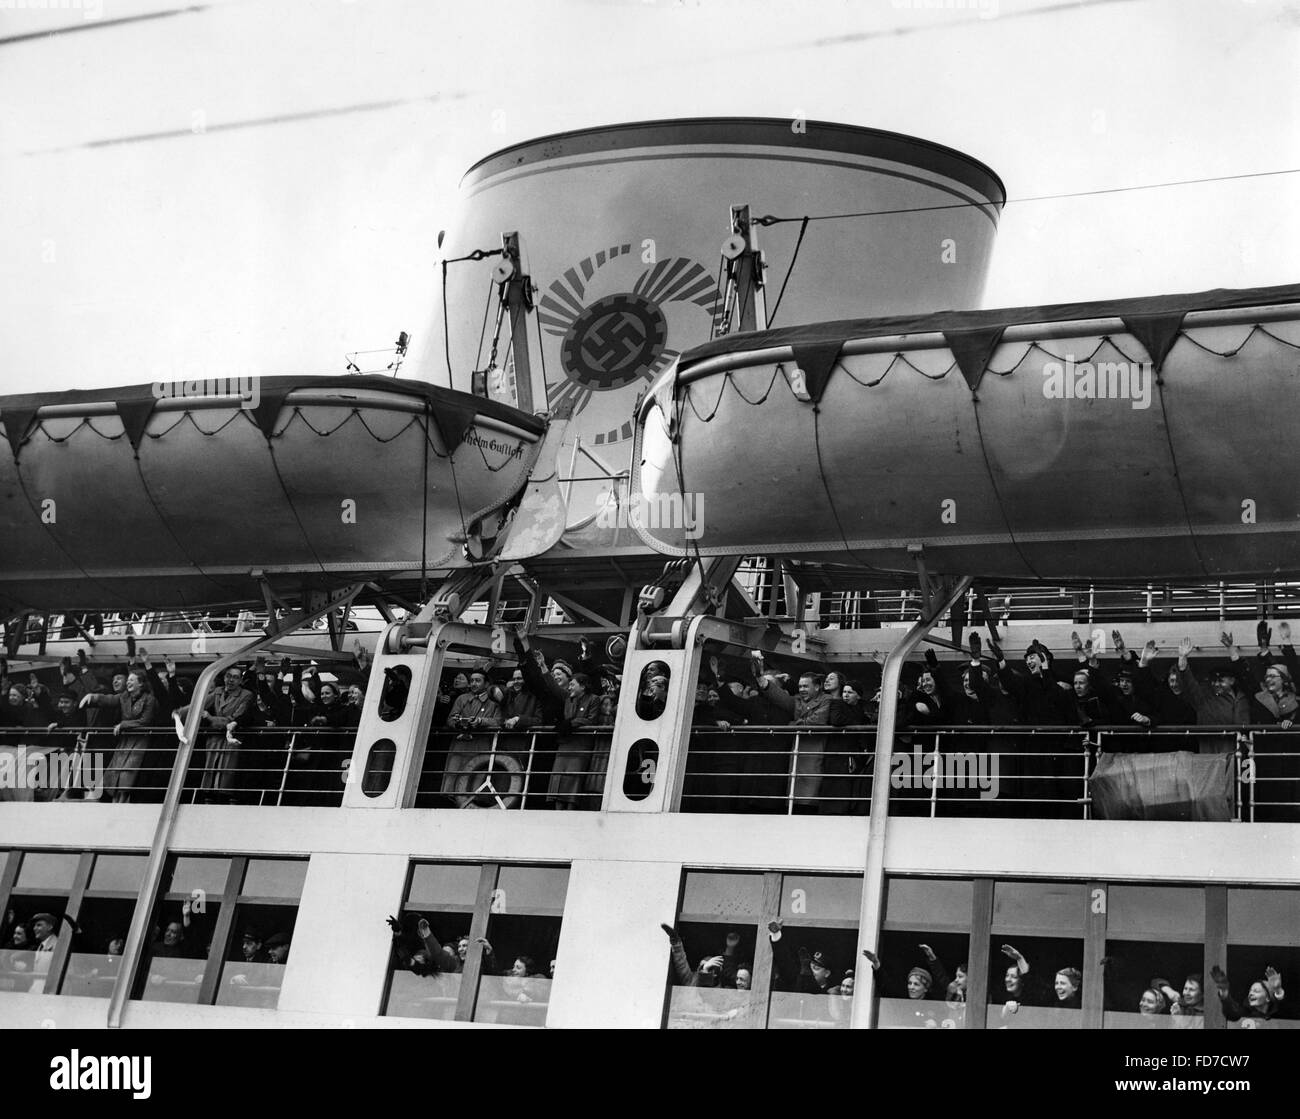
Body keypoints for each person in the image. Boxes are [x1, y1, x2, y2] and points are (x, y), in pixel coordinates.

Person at [175, 665, 255, 802]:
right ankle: (209, 799)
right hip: (214, 738)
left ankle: (223, 800)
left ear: (241, 680)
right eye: (228, 676)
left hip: (231, 738)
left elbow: (234, 718)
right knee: (210, 772)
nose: (231, 680)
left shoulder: (246, 695)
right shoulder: (218, 691)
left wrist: (210, 718)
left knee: (226, 775)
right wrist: (180, 712)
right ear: (224, 678)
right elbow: (199, 703)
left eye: (235, 677)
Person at [79, 668, 159, 802]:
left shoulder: (150, 699)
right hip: (124, 742)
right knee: (116, 774)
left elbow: (146, 721)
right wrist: (93, 697)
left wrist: (123, 725)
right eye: (128, 680)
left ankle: (122, 805)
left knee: (128, 776)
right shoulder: (124, 697)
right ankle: (115, 804)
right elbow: (109, 699)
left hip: (140, 743)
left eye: (132, 680)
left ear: (141, 683)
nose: (128, 682)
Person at [1212, 964, 1287, 1025]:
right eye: (1250, 991)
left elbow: (1281, 1006)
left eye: (1256, 991)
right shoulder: (1246, 1012)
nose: (1251, 993)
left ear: (1268, 998)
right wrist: (1225, 993)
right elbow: (1233, 1013)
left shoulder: (1277, 1013)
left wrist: (1278, 990)